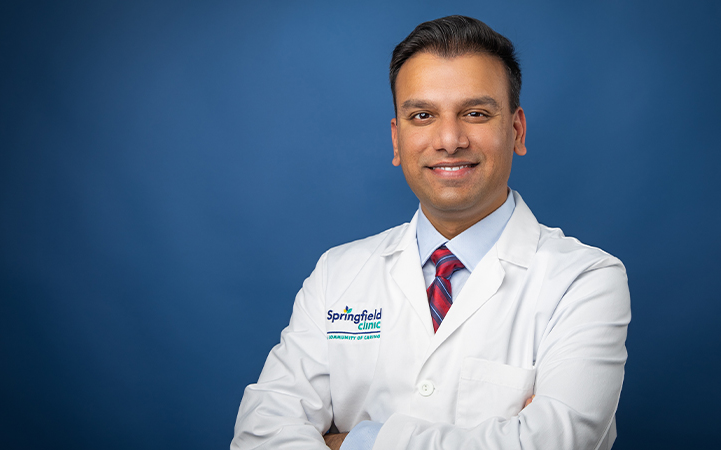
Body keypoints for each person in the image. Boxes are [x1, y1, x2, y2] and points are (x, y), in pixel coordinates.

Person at [231, 15, 630, 450]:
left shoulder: (585, 279)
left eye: (475, 113)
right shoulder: (337, 274)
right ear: (397, 140)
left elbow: (556, 443)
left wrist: (356, 442)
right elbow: (258, 436)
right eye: (422, 115)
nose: (449, 139)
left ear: (515, 130)